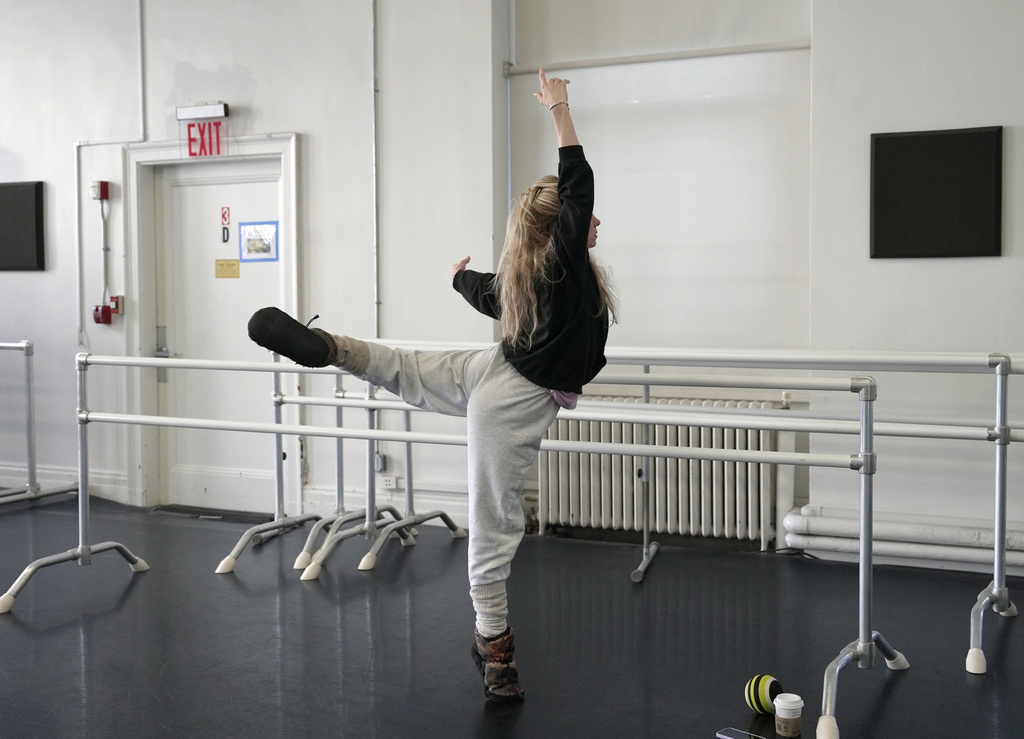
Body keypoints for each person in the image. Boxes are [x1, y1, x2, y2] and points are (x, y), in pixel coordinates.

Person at [247, 68, 616, 703]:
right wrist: (559, 111)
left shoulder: (530, 281)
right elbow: (578, 186)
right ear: (561, 231)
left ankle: (331, 346)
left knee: (407, 369)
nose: (597, 224)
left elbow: (487, 293)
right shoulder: (564, 270)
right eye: (587, 220)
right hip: (511, 400)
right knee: (495, 526)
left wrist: (456, 279)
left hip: (493, 368)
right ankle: (495, 650)